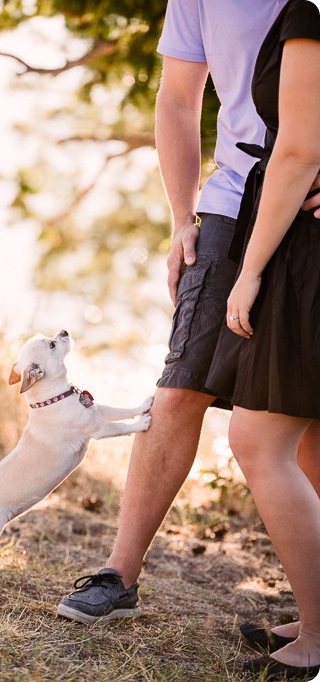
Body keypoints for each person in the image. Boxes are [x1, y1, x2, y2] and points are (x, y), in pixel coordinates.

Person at [57, 0, 320, 656]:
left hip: (301, 207)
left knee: (306, 424)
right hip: (231, 206)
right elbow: (177, 99)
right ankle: (119, 575)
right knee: (177, 390)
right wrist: (183, 218)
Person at [203, 0, 320, 677]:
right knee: (309, 442)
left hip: (303, 252)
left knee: (257, 440)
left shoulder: (308, 10)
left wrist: (247, 272)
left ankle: (317, 640)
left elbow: (299, 148)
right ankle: (313, 616)